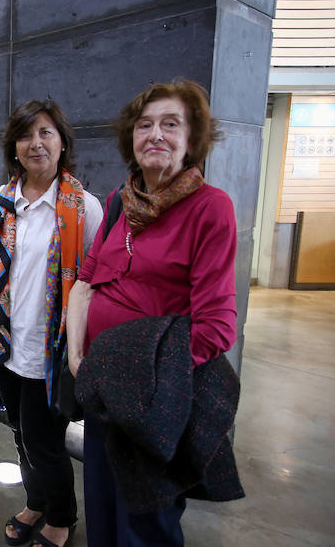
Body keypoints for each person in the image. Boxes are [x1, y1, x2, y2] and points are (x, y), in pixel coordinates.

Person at [67, 78, 238, 546]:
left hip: (154, 399)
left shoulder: (210, 208)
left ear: (192, 139)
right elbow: (86, 281)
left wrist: (153, 382)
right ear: (131, 137)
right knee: (101, 507)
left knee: (145, 522)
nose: (156, 135)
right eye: (145, 125)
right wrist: (79, 358)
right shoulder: (122, 202)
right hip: (104, 388)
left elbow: (216, 328)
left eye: (171, 124)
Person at [0, 100, 102, 547]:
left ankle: (62, 516)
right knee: (19, 432)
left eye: (46, 133)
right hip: (3, 342)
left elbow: (96, 286)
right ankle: (36, 500)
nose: (36, 143)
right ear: (14, 147)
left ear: (63, 143)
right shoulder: (0, 200)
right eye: (27, 135)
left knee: (46, 442)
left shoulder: (85, 209)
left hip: (51, 352)